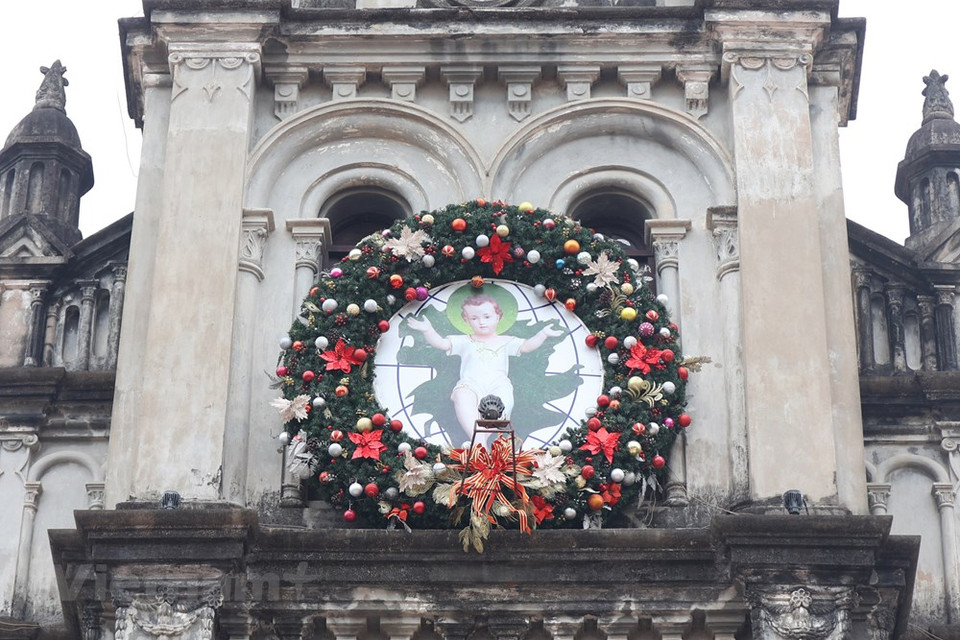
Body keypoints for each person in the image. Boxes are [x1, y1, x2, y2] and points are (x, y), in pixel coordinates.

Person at [407, 294, 562, 446]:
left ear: (498, 317)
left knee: (502, 406)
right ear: (466, 320)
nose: (481, 322)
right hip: (470, 384)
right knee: (462, 397)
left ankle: (478, 443)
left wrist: (543, 334)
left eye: (487, 317)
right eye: (474, 318)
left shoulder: (506, 341)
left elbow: (526, 346)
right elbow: (442, 344)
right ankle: (479, 442)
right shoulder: (465, 341)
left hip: (498, 385)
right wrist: (427, 330)